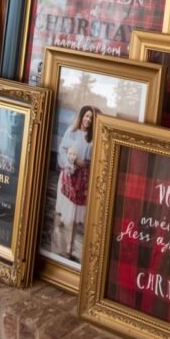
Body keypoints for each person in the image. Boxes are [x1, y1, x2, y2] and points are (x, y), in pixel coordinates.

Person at [51, 104, 96, 261]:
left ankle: (69, 249)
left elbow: (95, 158)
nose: (88, 120)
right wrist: (72, 162)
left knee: (75, 214)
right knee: (61, 211)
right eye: (86, 116)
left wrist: (87, 164)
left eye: (91, 118)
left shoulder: (93, 138)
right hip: (68, 176)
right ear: (82, 116)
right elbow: (62, 150)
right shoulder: (72, 131)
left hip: (82, 181)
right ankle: (56, 238)